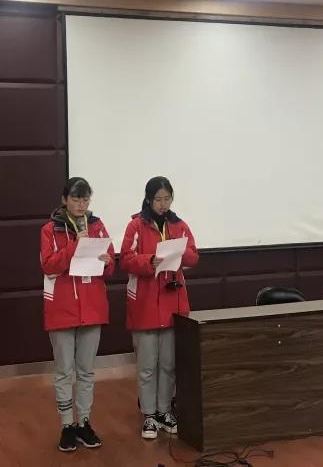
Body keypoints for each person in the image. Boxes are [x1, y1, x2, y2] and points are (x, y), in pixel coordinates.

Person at [120, 176, 200, 440]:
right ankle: (149, 414)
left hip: (172, 301)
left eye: (167, 199)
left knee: (168, 364)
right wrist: (151, 260)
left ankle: (165, 410)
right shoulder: (136, 225)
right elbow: (126, 259)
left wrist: (178, 253)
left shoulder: (179, 225)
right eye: (158, 199)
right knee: (147, 365)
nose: (163, 204)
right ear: (148, 199)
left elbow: (193, 256)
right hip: (145, 303)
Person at [40, 177, 115, 452]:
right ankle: (66, 426)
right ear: (64, 200)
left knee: (86, 371)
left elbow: (110, 267)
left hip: (92, 307)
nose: (81, 205)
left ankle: (84, 422)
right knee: (64, 371)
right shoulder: (50, 229)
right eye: (75, 199)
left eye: (85, 199)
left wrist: (107, 262)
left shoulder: (97, 225)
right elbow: (48, 265)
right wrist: (75, 246)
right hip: (62, 309)